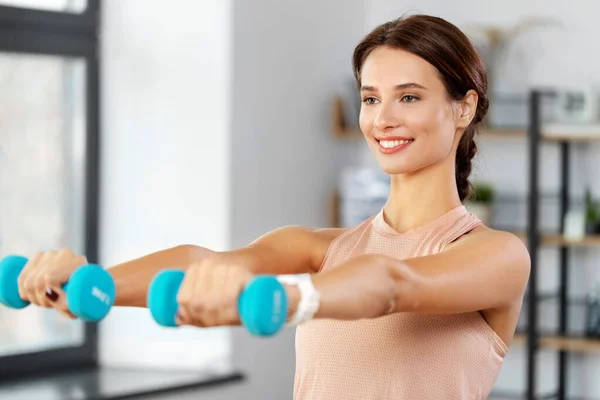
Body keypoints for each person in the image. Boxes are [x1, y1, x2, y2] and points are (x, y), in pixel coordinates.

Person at [15, 14, 530, 400]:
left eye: (410, 97)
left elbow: (395, 285)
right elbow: (204, 263)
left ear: (463, 106)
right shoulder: (318, 249)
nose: (383, 119)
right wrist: (80, 287)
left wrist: (284, 300)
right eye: (371, 99)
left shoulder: (495, 256)